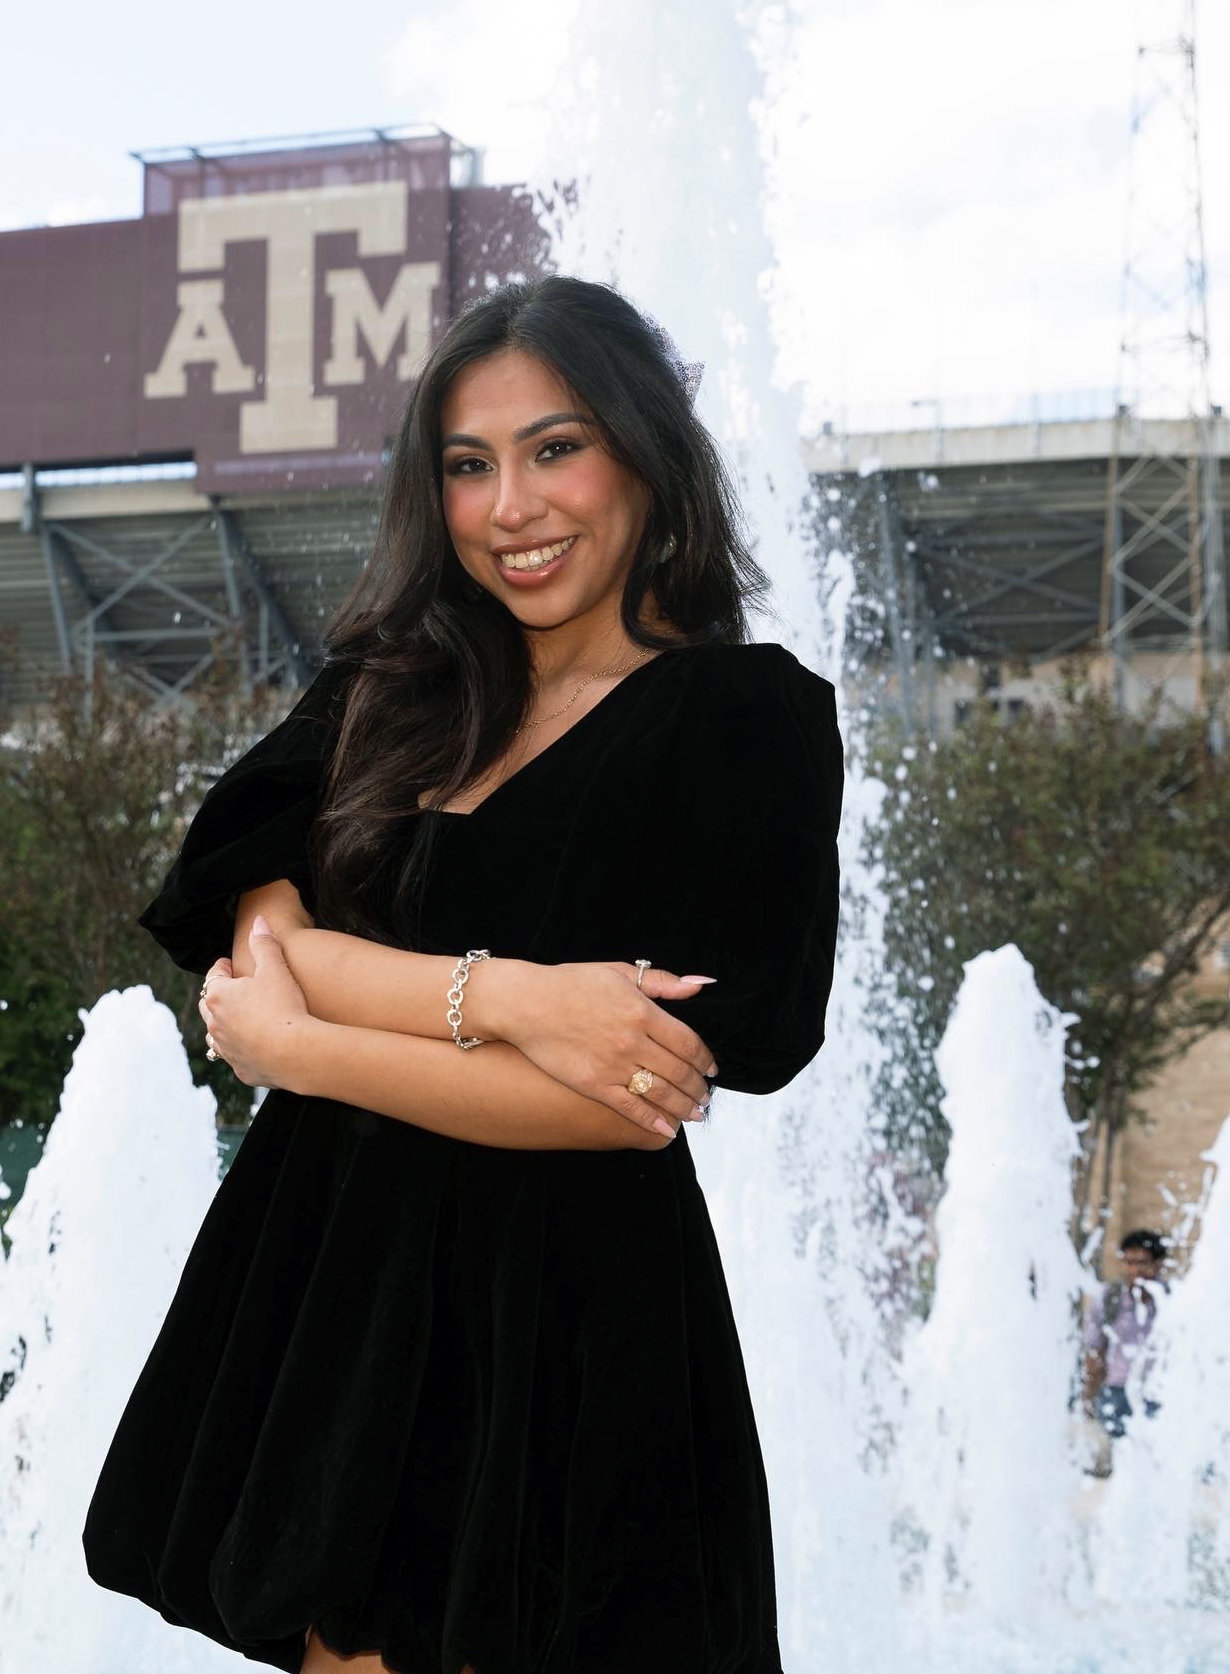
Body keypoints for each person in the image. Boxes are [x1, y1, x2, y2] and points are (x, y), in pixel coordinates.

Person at [81, 273, 845, 1674]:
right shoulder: (384, 694)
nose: (513, 508)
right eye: (469, 467)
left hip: (566, 1317)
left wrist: (305, 1045)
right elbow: (261, 948)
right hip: (337, 1301)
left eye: (557, 448)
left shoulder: (749, 721)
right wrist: (516, 999)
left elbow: (620, 1100)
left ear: (644, 452)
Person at [1081, 1228, 1168, 1466]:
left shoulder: (1172, 1302)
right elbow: (1095, 1349)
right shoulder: (1109, 1299)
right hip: (1116, 1392)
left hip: (1159, 1394)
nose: (1135, 1270)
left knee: (1155, 1463)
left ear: (1158, 1264)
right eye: (1128, 1262)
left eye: (1142, 1263)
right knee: (1117, 1466)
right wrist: (1088, 1397)